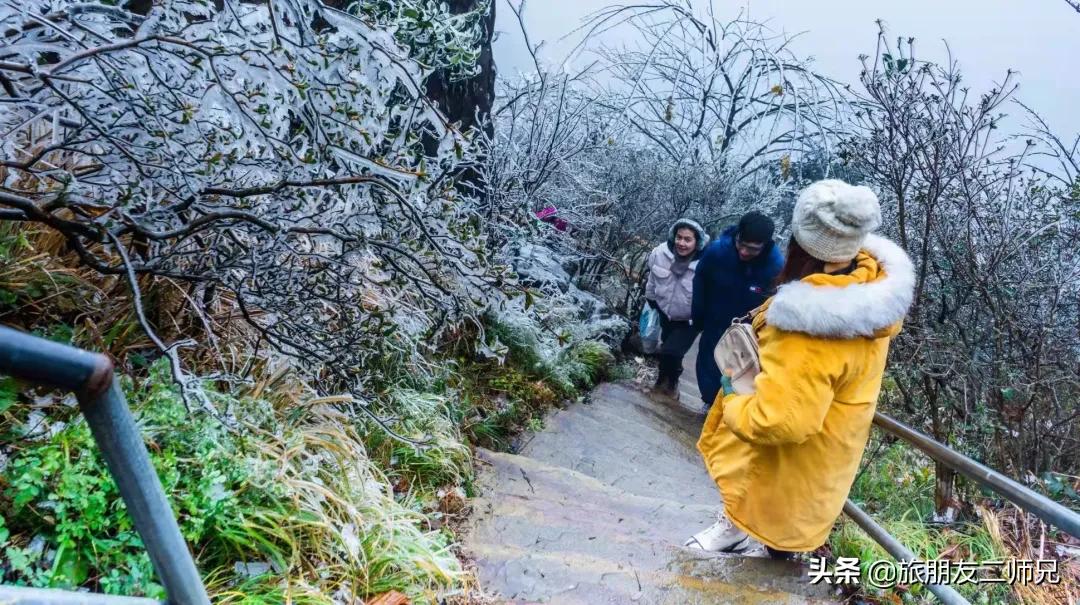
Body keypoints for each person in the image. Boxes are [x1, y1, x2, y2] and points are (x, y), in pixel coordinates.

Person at [686, 179, 915, 559]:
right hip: (830, 450)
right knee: (785, 527)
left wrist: (731, 398)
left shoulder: (811, 327)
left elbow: (779, 421)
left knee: (766, 514)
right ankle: (748, 533)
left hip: (790, 457)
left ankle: (738, 530)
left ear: (801, 243)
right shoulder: (869, 289)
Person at [691, 212, 783, 412]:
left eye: (752, 249)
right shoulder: (717, 253)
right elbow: (700, 284)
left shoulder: (774, 267)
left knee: (738, 372)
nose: (743, 251)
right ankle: (709, 403)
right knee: (708, 363)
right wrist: (698, 318)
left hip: (746, 331)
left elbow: (772, 304)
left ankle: (729, 410)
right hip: (714, 321)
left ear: (765, 245)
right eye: (741, 244)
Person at [645, 218, 709, 399]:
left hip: (690, 319)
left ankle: (672, 382)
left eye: (687, 239)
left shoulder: (706, 264)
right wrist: (650, 298)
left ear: (698, 242)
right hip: (665, 311)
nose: (681, 243)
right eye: (679, 237)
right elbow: (652, 278)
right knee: (667, 348)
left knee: (671, 351)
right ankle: (662, 379)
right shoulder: (660, 253)